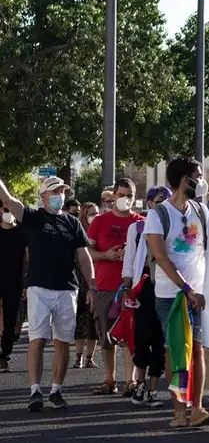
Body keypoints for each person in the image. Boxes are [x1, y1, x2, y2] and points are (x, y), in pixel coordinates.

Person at [0, 176, 96, 411]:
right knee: (38, 340)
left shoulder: (73, 223)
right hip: (39, 288)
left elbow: (83, 256)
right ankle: (34, 391)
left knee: (62, 342)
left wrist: (92, 285)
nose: (59, 195)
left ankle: (56, 390)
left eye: (62, 191)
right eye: (54, 191)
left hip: (67, 289)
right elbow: (8, 199)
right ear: (43, 195)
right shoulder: (32, 217)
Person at [144, 157, 209, 427]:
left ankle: (196, 408)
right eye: (197, 175)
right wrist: (186, 290)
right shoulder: (158, 214)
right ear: (185, 180)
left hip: (197, 294)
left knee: (197, 351)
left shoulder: (201, 211)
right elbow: (161, 258)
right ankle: (179, 412)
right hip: (170, 296)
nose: (201, 179)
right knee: (176, 351)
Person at [87, 178, 143, 396]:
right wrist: (106, 255)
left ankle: (131, 381)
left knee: (131, 336)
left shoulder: (141, 222)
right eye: (121, 195)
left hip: (132, 289)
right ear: (114, 196)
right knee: (106, 336)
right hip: (105, 286)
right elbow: (86, 252)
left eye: (129, 195)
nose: (125, 199)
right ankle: (109, 379)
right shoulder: (100, 222)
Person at [121, 186, 170, 408]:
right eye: (159, 200)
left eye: (166, 200)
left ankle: (152, 389)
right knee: (142, 336)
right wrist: (127, 286)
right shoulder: (138, 227)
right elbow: (130, 258)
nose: (163, 204)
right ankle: (139, 384)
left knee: (160, 340)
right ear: (149, 203)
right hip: (144, 286)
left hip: (166, 285)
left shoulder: (173, 225)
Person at [73, 203, 101, 369]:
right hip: (79, 282)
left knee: (93, 322)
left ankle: (90, 357)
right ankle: (78, 357)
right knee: (79, 321)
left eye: (96, 213)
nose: (94, 216)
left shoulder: (100, 231)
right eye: (90, 213)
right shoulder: (78, 232)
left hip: (97, 281)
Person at [0, 204, 27, 373]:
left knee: (10, 320)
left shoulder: (22, 232)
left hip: (14, 281)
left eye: (9, 210)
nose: (5, 213)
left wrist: (26, 281)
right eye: (3, 209)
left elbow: (28, 258)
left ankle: (4, 356)